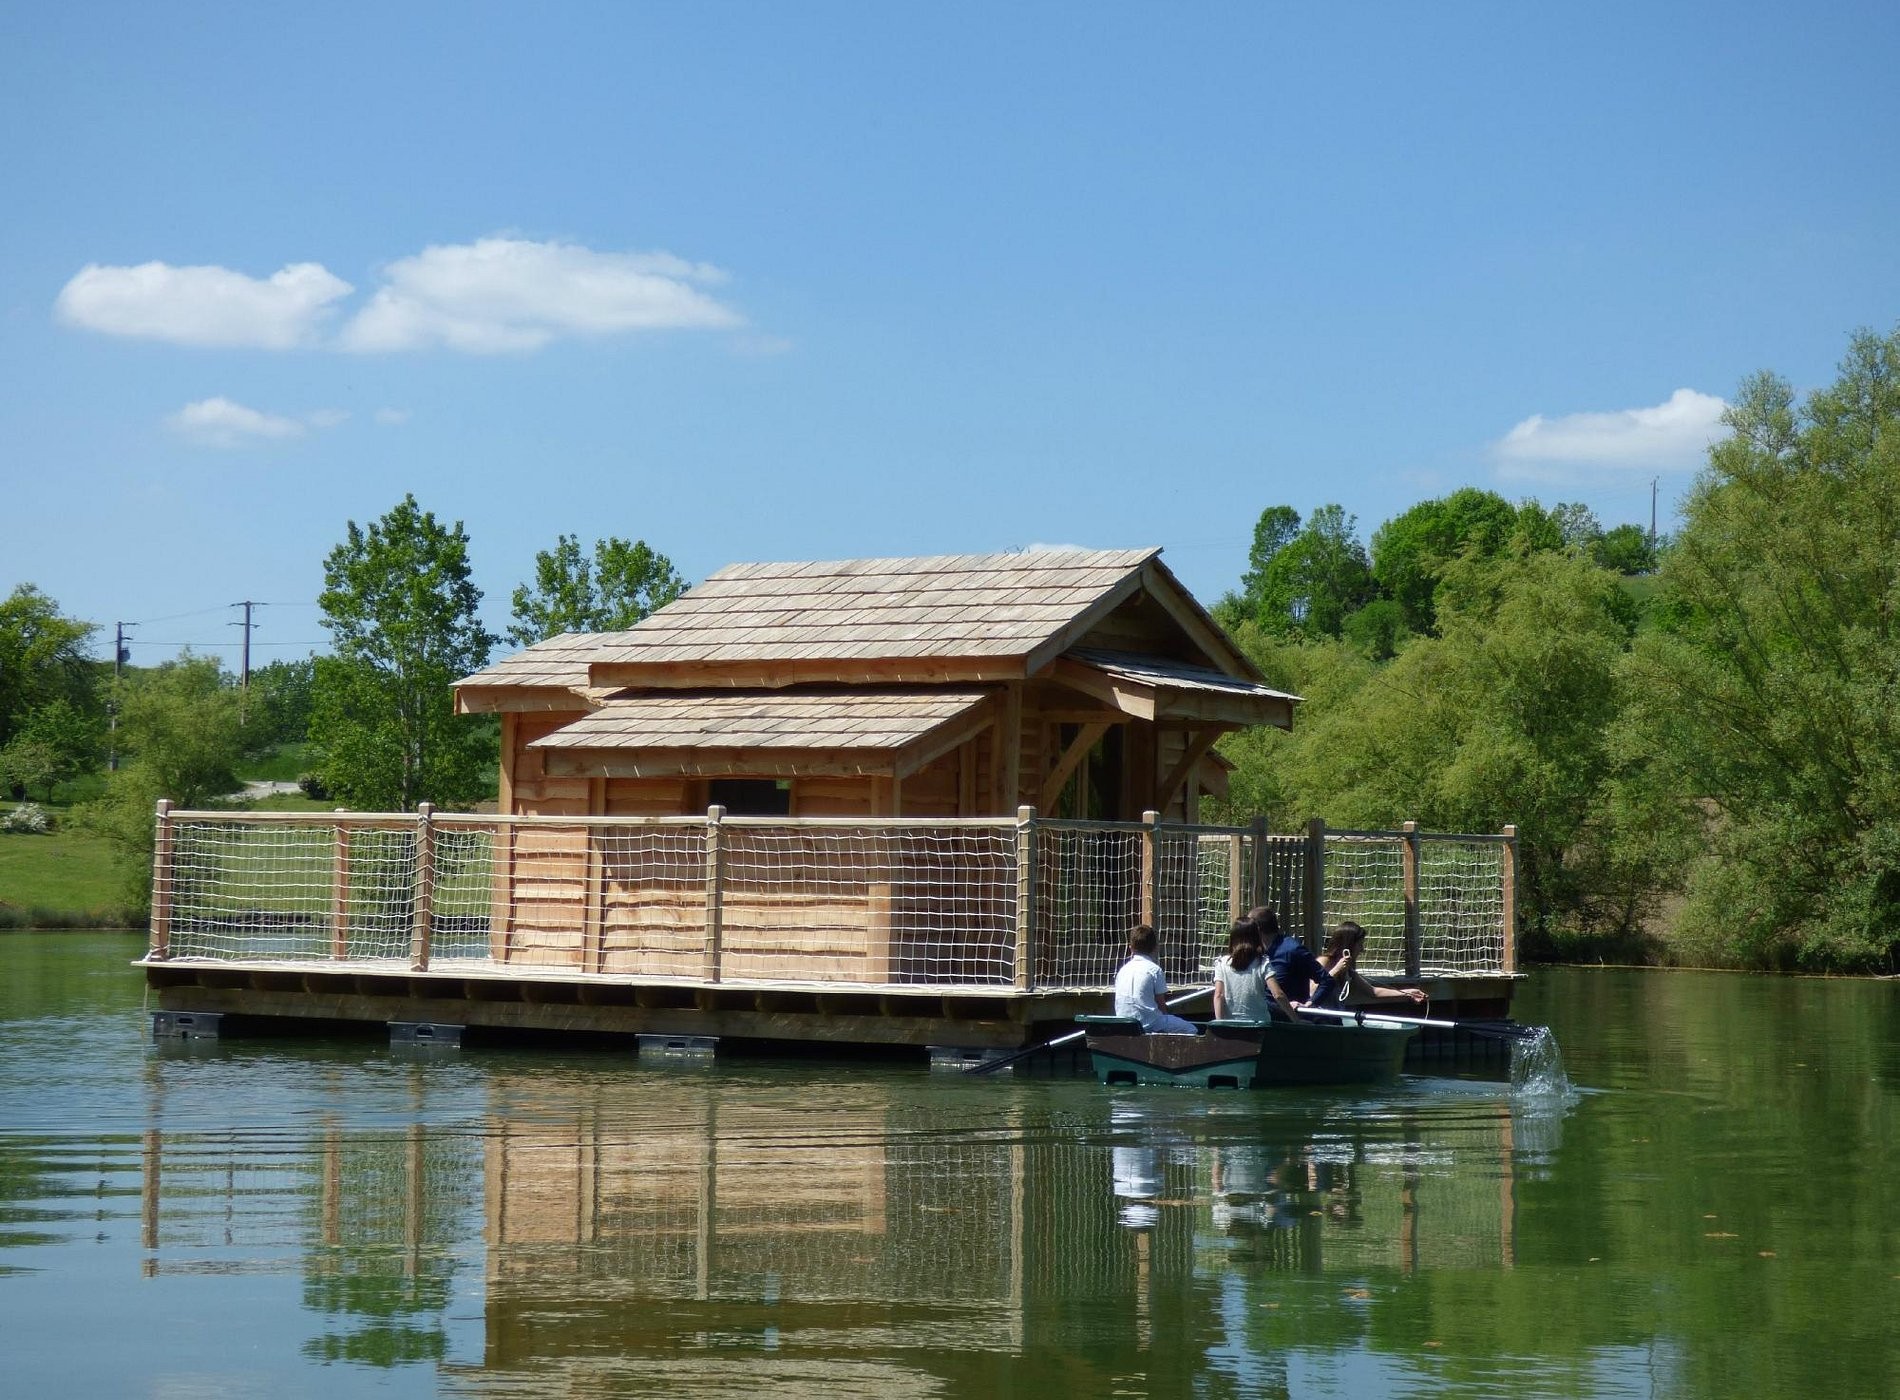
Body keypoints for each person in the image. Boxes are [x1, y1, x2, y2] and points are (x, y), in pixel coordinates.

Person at [1319, 921, 1429, 1008]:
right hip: (1317, 1019)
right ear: (1348, 945)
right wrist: (1336, 970)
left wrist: (1408, 993)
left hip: (1333, 1020)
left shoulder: (1348, 970)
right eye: (1360, 945)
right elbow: (1312, 991)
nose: (1362, 949)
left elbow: (1373, 992)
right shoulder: (1323, 962)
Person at [1113, 924, 1200, 1034]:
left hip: (1124, 1023)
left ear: (1130, 947)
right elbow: (1161, 1004)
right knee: (1191, 1029)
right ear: (1155, 948)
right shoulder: (1154, 970)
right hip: (1149, 1024)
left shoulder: (1122, 971)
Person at [1252, 907, 1335, 1021]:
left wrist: (1310, 1003)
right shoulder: (1255, 952)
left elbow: (1327, 981)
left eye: (1248, 928)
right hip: (1262, 1017)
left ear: (1257, 929)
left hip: (1288, 1020)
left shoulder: (1292, 950)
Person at [1212, 921, 1272, 1022]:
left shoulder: (1222, 963)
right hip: (1259, 1023)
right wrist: (1295, 1019)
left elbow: (1218, 995)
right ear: (1256, 937)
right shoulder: (1263, 961)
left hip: (1232, 1025)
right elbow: (1278, 994)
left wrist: (1219, 1023)